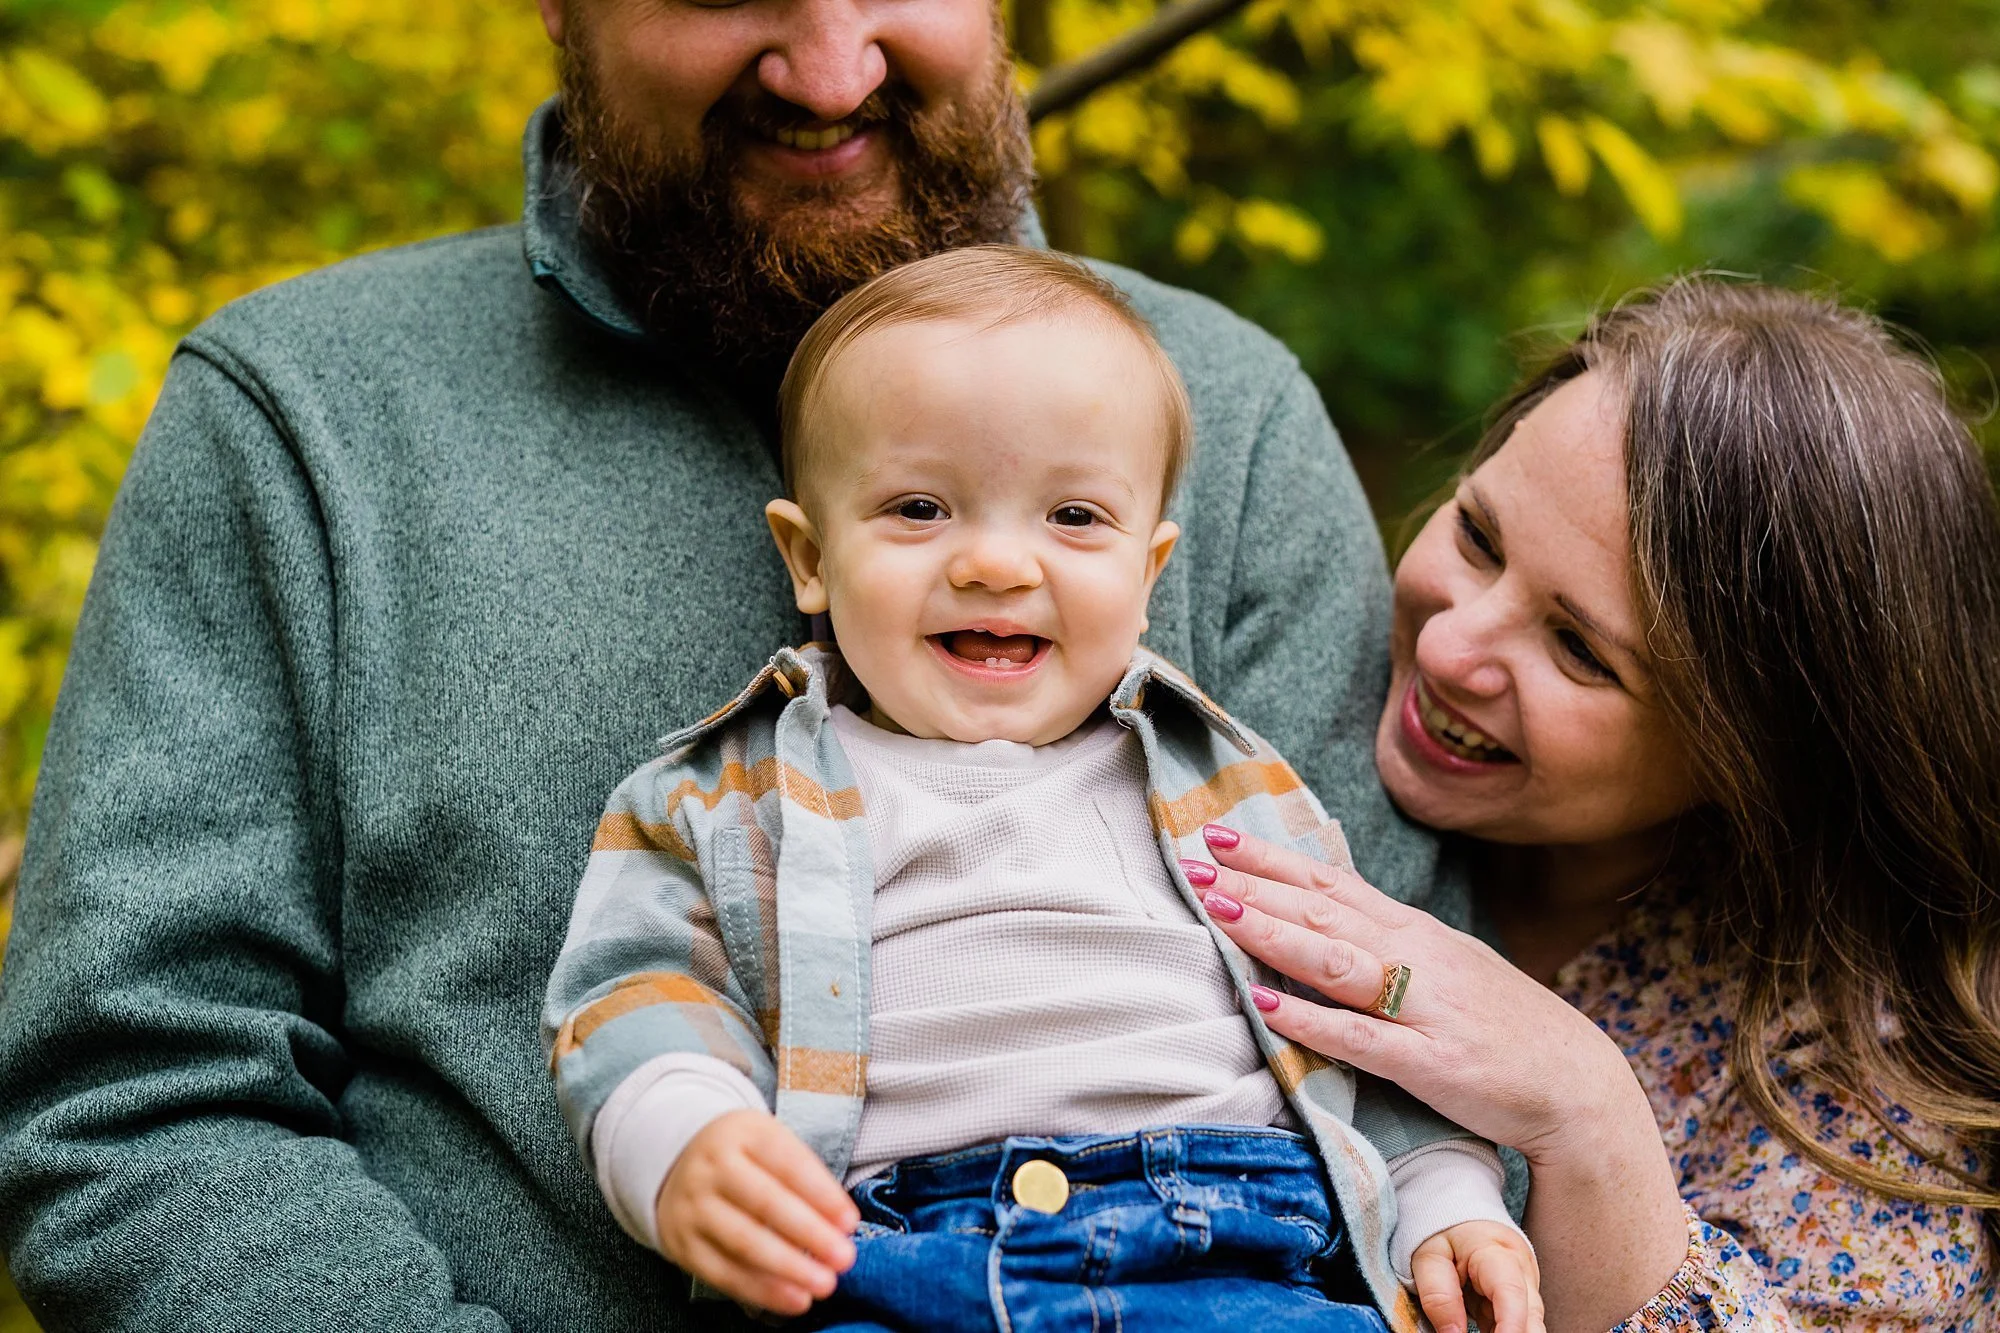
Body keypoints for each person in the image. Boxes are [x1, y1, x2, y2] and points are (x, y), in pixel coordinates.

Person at [0, 3, 1445, 1330]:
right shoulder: (303, 416)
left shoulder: (1227, 413)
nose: (831, 72)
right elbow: (140, 1103)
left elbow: (1410, 1032)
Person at [543, 247, 1539, 1333]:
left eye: (1071, 518)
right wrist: (684, 1139)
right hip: (893, 1255)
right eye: (920, 508)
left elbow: (1353, 1012)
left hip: (1232, 1250)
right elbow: (635, 991)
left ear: (1149, 573)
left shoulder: (1232, 785)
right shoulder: (726, 791)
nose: (996, 565)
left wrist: (1444, 1198)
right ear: (809, 557)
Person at [1187, 279, 2000, 1330]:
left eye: (1576, 648)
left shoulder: (1867, 1075)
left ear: (1753, 756)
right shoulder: (1274, 703)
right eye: (1477, 536)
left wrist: (1589, 1118)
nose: (1448, 645)